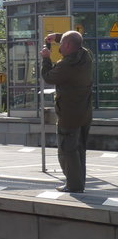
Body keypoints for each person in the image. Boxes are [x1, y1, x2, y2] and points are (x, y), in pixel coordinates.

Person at [41, 30, 93, 193]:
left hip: (69, 116)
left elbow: (48, 77)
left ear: (68, 45)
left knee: (67, 151)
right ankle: (78, 183)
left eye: (62, 43)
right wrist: (57, 37)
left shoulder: (66, 65)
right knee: (79, 150)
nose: (60, 46)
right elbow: (76, 40)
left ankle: (74, 185)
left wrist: (46, 58)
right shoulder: (86, 57)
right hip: (85, 114)